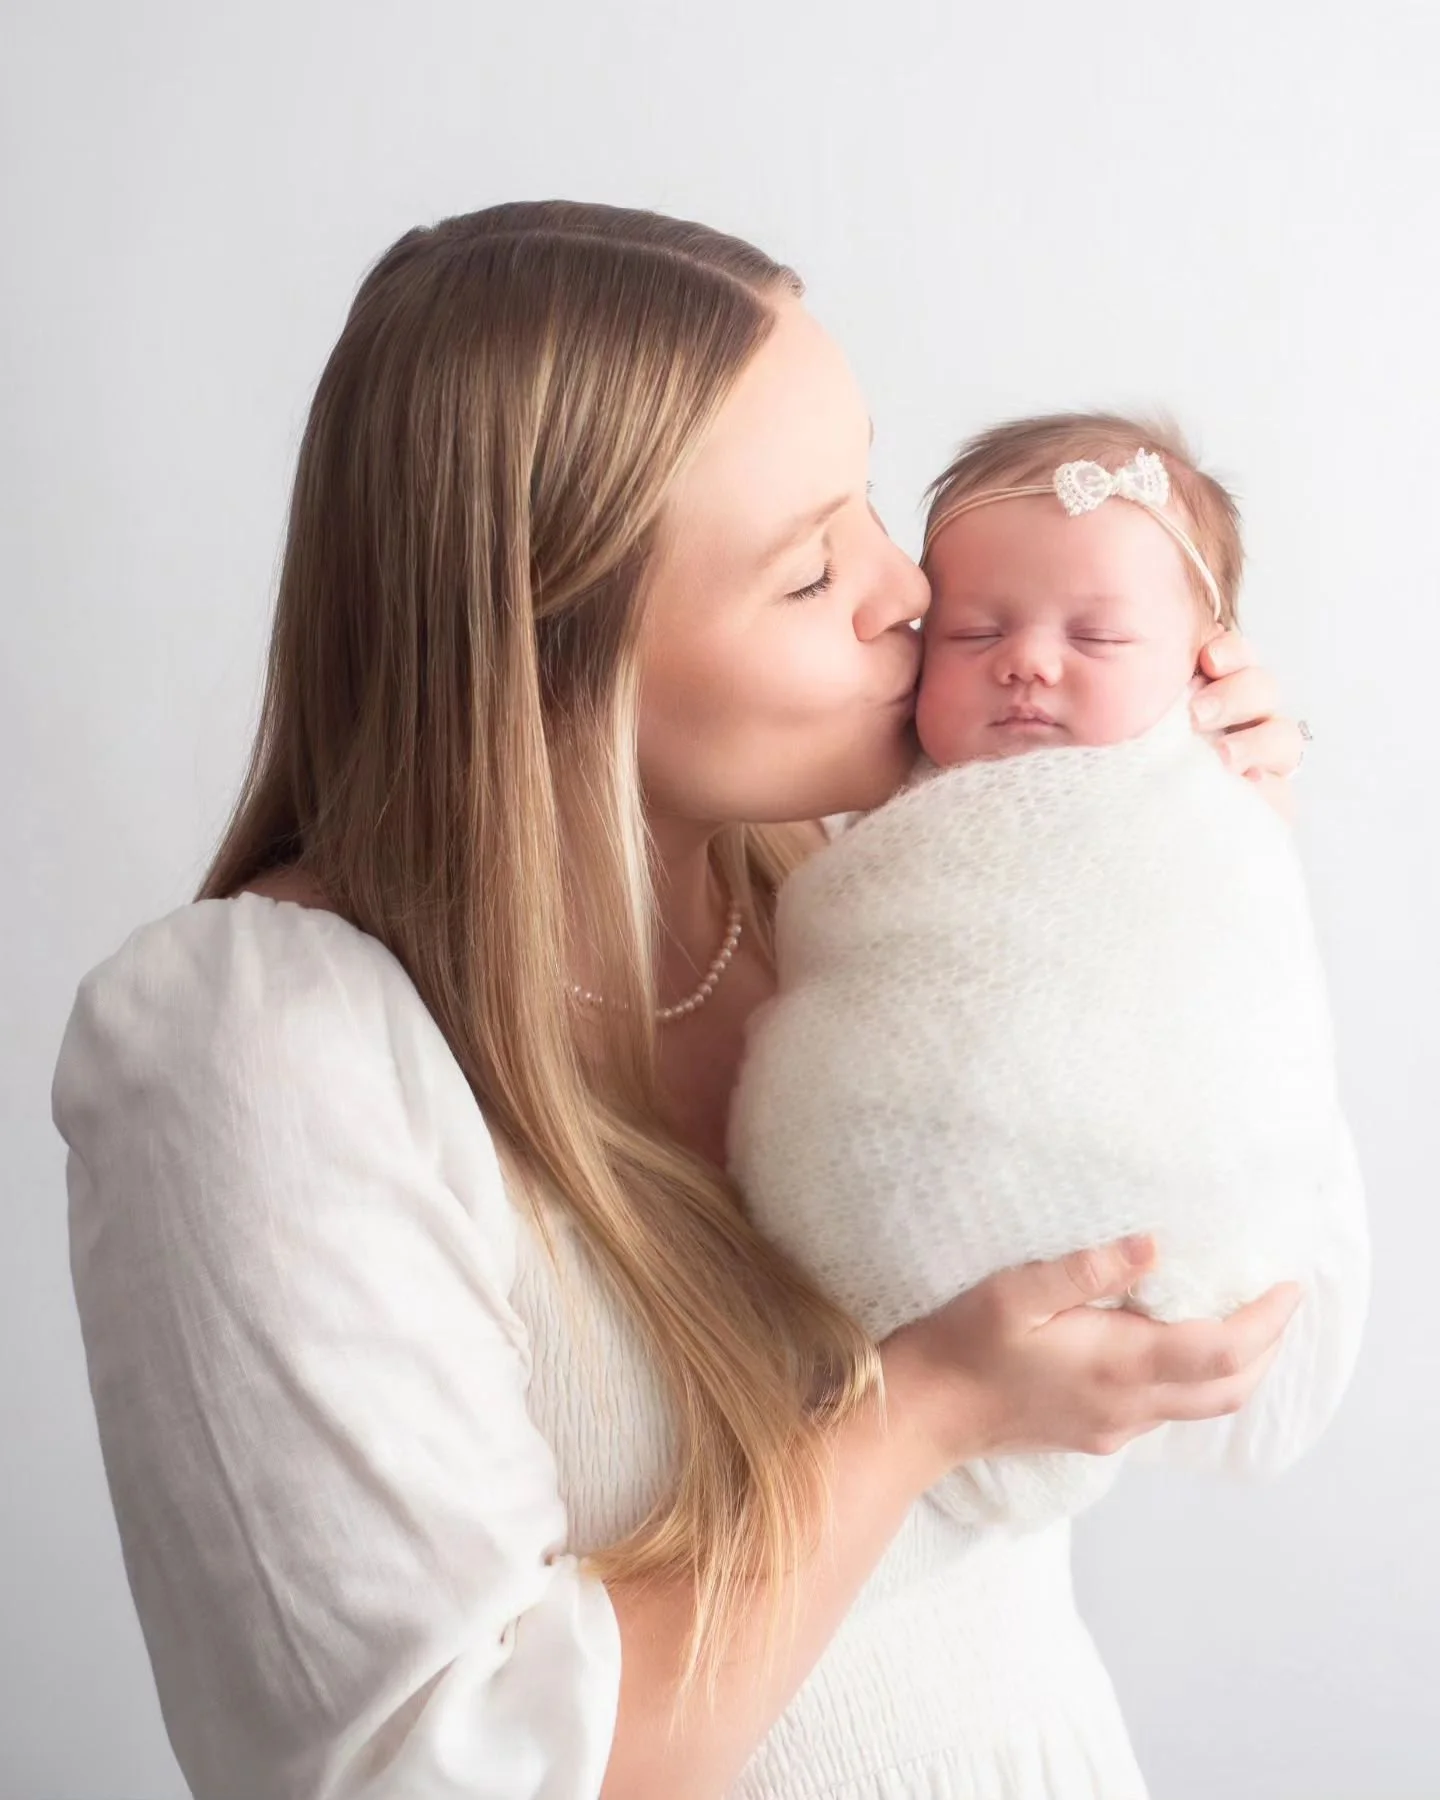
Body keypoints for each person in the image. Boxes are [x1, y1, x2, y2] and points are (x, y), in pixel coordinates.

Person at [51, 202, 1308, 1800]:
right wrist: (914, 1413)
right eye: (806, 570)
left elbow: (1259, 1379)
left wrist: (1195, 870)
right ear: (545, 660)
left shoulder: (859, 893)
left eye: (867, 495)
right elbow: (418, 1771)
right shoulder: (267, 1054)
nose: (911, 591)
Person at [730, 412, 1369, 1535]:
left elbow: (1247, 1065)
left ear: (1205, 664)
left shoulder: (1208, 820)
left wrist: (1238, 834)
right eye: (972, 633)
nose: (1026, 661)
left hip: (1114, 1240)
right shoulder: (868, 829)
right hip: (844, 1351)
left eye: (1101, 639)